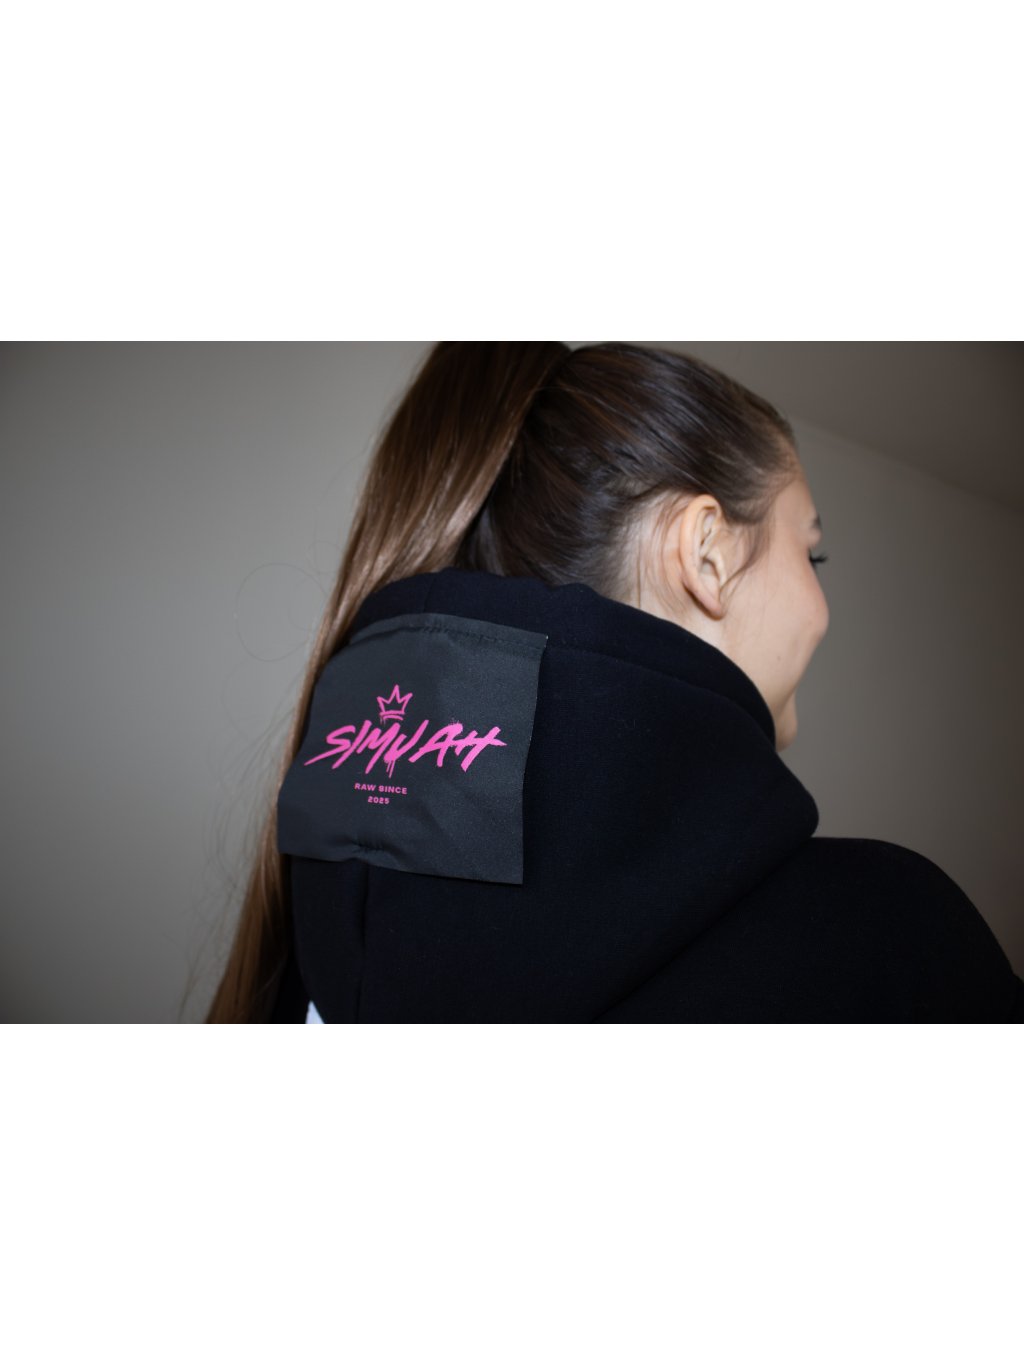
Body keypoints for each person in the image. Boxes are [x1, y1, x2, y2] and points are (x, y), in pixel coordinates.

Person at [205, 342, 1024, 1023]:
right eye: (812, 552)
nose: (822, 603)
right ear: (707, 553)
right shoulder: (888, 938)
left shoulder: (314, 968)